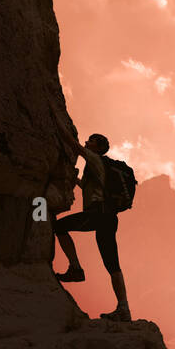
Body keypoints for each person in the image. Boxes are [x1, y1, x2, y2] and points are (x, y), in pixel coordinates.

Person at [53, 126, 132, 322]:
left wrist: (56, 121)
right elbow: (92, 190)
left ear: (97, 146)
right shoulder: (99, 168)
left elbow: (74, 146)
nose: (87, 142)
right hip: (108, 217)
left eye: (91, 140)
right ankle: (124, 309)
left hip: (99, 215)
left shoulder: (95, 159)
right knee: (112, 263)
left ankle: (76, 268)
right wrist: (76, 180)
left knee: (59, 227)